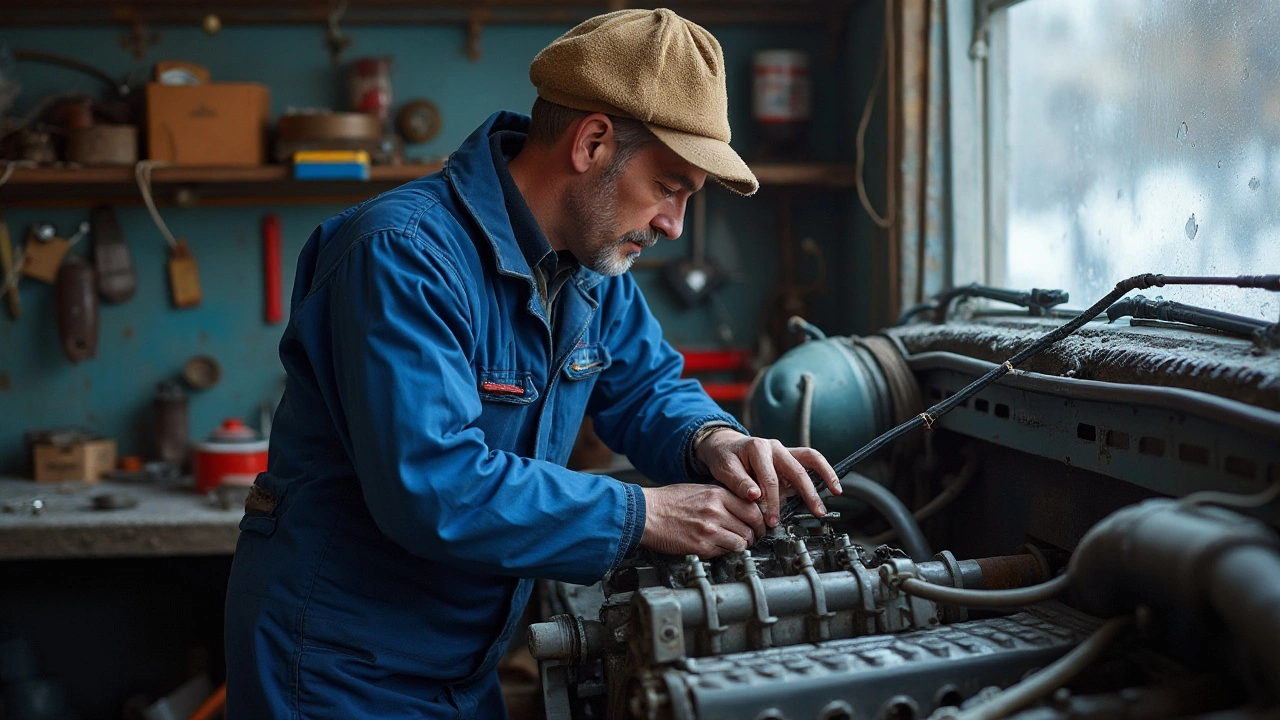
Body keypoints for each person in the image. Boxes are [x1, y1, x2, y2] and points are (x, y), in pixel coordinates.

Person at [224, 8, 840, 717]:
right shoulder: (401, 255)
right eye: (670, 187)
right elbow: (433, 485)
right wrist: (641, 513)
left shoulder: (591, 271)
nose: (673, 225)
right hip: (336, 663)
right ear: (593, 143)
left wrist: (716, 441)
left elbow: (644, 387)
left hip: (465, 657)